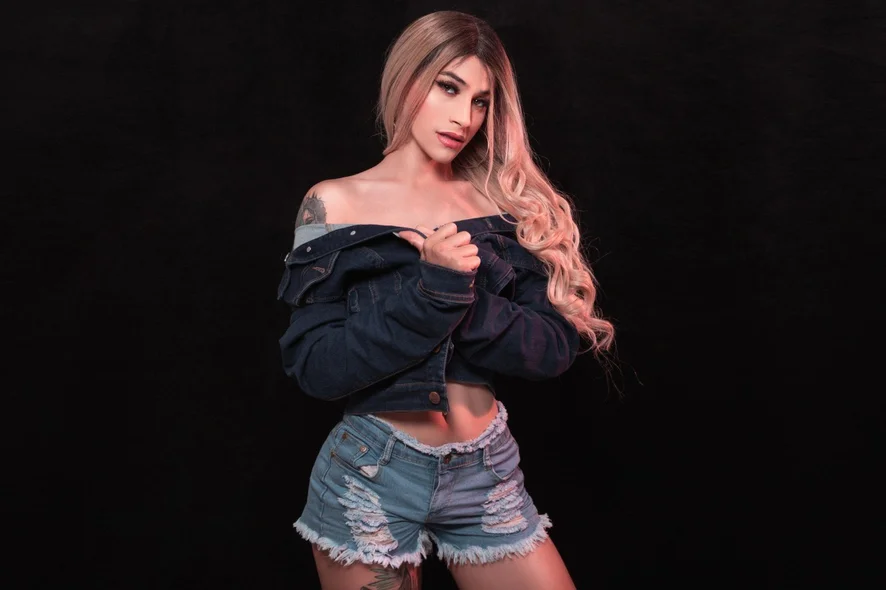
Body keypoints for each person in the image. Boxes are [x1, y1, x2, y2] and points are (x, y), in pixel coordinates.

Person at [277, 10, 615, 589]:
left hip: (488, 471)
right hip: (373, 473)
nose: (465, 118)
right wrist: (432, 291)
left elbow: (551, 350)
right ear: (407, 79)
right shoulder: (334, 203)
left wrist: (465, 295)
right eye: (449, 88)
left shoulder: (502, 206)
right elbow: (317, 367)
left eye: (481, 101)